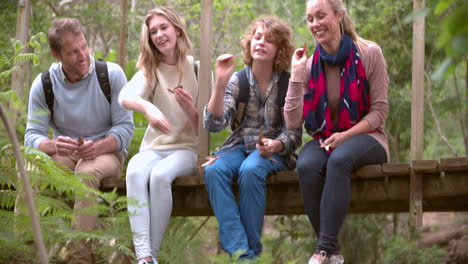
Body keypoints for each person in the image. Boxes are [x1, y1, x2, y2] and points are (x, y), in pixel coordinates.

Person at [284, 0, 390, 263]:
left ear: (339, 16)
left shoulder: (369, 53)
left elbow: (379, 112)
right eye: (310, 19)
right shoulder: (308, 67)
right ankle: (334, 255)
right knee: (307, 165)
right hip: (327, 138)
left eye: (321, 16)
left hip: (369, 137)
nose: (315, 24)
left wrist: (346, 136)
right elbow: (292, 121)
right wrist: (296, 76)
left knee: (340, 159)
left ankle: (322, 252)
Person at [24, 18, 134, 263]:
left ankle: (78, 258)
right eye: (73, 52)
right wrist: (52, 145)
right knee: (31, 172)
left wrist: (98, 147)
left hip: (106, 152)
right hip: (64, 152)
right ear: (56, 54)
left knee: (85, 173)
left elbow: (125, 129)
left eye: (84, 47)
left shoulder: (111, 75)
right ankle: (23, 254)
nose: (83, 55)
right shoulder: (44, 85)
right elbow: (31, 136)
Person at [203, 16, 302, 261]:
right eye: (257, 37)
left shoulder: (288, 83)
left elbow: (295, 135)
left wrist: (277, 144)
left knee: (250, 170)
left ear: (279, 49)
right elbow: (213, 124)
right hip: (237, 146)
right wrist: (220, 83)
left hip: (275, 152)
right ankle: (242, 253)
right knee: (213, 170)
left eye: (269, 40)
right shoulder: (238, 80)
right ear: (249, 43)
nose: (261, 43)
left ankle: (249, 253)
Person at [118, 7, 199, 264]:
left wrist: (190, 110)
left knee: (161, 176)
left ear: (176, 29)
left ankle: (150, 253)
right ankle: (144, 257)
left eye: (164, 28)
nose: (159, 35)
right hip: (155, 148)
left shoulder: (197, 68)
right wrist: (148, 107)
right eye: (153, 31)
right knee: (134, 170)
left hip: (187, 149)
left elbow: (209, 126)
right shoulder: (150, 71)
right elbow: (124, 97)